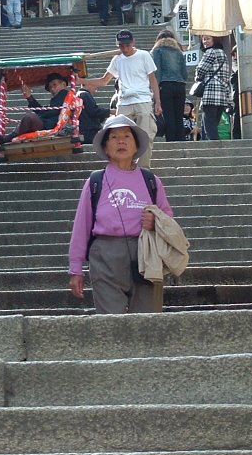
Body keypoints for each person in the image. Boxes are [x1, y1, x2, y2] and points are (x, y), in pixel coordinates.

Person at [67, 115, 174, 314]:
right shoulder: (95, 182)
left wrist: (156, 221)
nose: (121, 141)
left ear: (136, 147)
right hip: (106, 257)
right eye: (114, 137)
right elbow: (81, 226)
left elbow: (169, 221)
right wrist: (75, 268)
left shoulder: (151, 181)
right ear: (106, 147)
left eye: (127, 136)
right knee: (112, 325)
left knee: (147, 322)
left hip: (146, 254)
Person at [83, 29, 160, 167]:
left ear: (133, 42)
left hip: (143, 99)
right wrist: (79, 81)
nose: (124, 48)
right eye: (121, 46)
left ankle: (143, 168)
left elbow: (153, 79)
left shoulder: (144, 55)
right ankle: (121, 166)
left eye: (127, 45)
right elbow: (104, 81)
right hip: (124, 100)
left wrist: (157, 101)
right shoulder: (117, 59)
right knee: (118, 135)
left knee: (146, 135)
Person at [2, 72, 108, 142]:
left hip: (56, 126)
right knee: (30, 119)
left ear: (63, 84)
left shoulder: (65, 94)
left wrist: (30, 99)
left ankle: (12, 136)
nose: (52, 89)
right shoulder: (59, 97)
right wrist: (30, 98)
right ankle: (13, 136)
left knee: (29, 118)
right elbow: (46, 111)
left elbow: (47, 112)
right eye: (50, 87)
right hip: (51, 124)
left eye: (54, 85)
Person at [150, 29, 188, 141]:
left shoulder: (157, 51)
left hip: (165, 86)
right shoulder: (179, 52)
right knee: (179, 117)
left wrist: (155, 91)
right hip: (180, 86)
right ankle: (181, 142)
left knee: (169, 117)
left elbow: (157, 72)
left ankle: (171, 143)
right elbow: (185, 74)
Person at [194, 35, 232, 141]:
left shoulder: (210, 52)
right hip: (222, 94)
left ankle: (215, 147)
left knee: (209, 124)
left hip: (211, 92)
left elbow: (200, 70)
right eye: (203, 39)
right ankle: (212, 145)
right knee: (214, 123)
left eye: (208, 38)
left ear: (214, 39)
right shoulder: (223, 53)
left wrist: (197, 76)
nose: (205, 41)